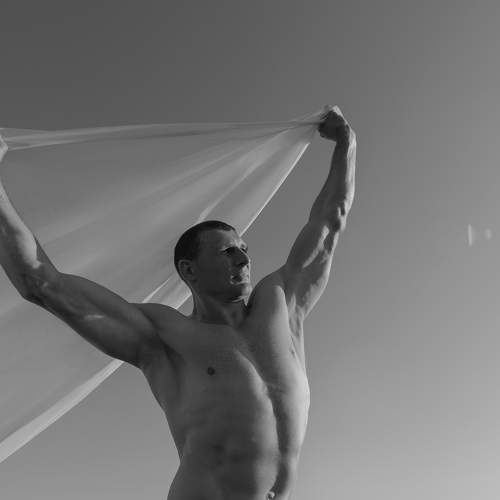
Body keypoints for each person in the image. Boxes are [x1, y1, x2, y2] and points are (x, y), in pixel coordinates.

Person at [0, 107, 356, 500]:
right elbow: (41, 283)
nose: (243, 260)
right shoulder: (165, 335)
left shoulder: (282, 306)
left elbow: (330, 222)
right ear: (189, 270)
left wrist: (345, 144)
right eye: (227, 252)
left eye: (244, 249)